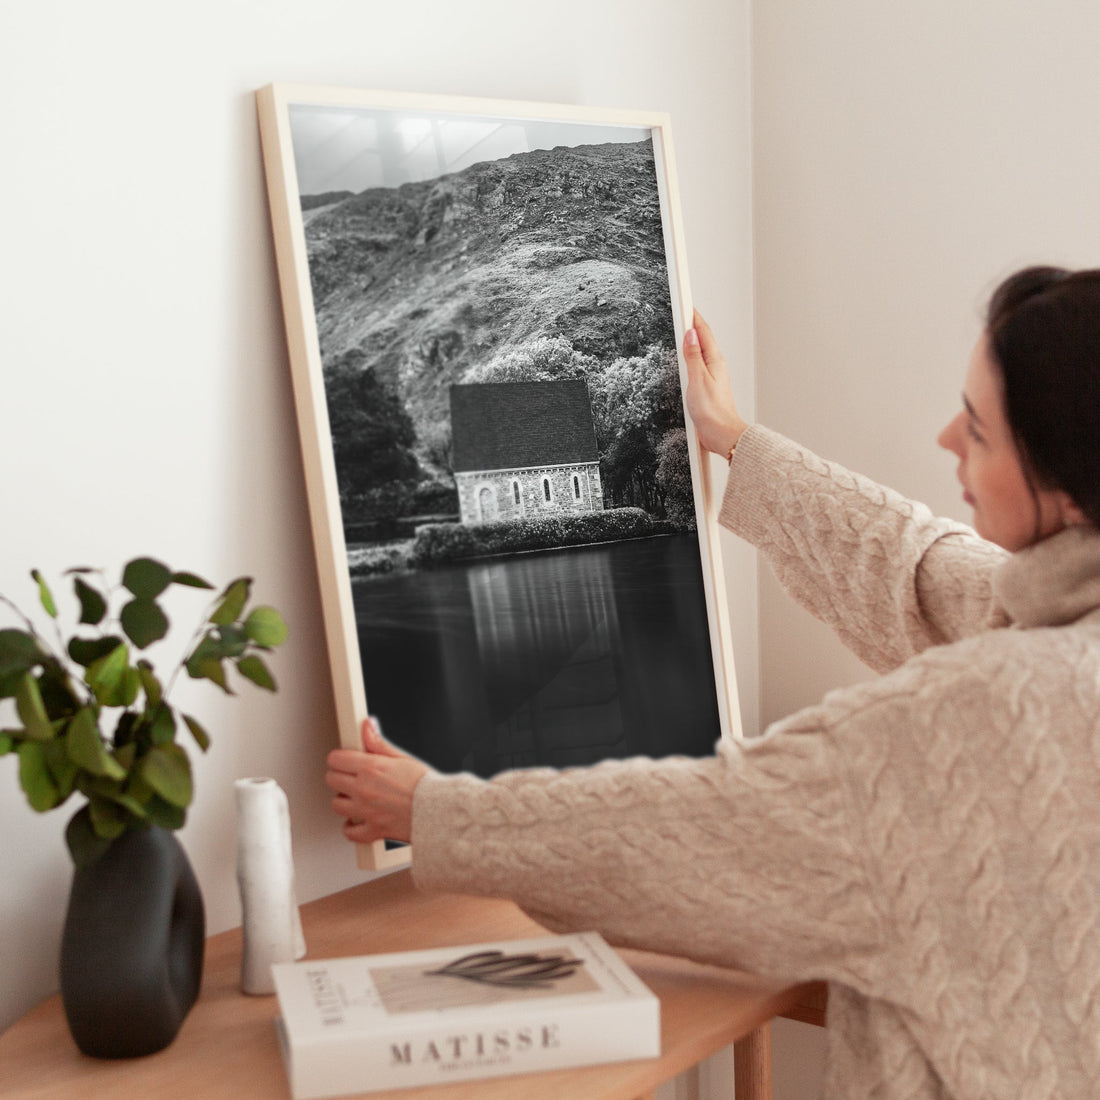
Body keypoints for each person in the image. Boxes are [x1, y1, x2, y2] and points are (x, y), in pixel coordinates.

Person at [325, 266, 1100, 1099]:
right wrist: (734, 440)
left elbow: (705, 826)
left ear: (1065, 486)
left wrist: (434, 813)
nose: (947, 438)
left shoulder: (979, 714)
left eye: (979, 431)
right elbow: (919, 569)